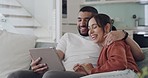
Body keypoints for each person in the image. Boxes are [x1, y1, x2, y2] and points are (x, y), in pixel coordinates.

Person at [7, 6, 144, 78]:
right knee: (16, 75)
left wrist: (123, 34)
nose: (83, 24)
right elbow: (56, 57)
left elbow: (138, 57)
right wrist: (38, 64)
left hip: (75, 75)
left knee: (51, 76)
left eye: (89, 21)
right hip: (58, 72)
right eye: (79, 20)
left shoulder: (107, 40)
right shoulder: (68, 37)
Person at [73, 14, 140, 78]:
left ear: (107, 27)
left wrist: (92, 71)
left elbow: (118, 64)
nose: (90, 32)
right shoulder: (104, 47)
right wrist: (86, 71)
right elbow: (107, 71)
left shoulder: (114, 41)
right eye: (89, 28)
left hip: (129, 74)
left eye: (94, 27)